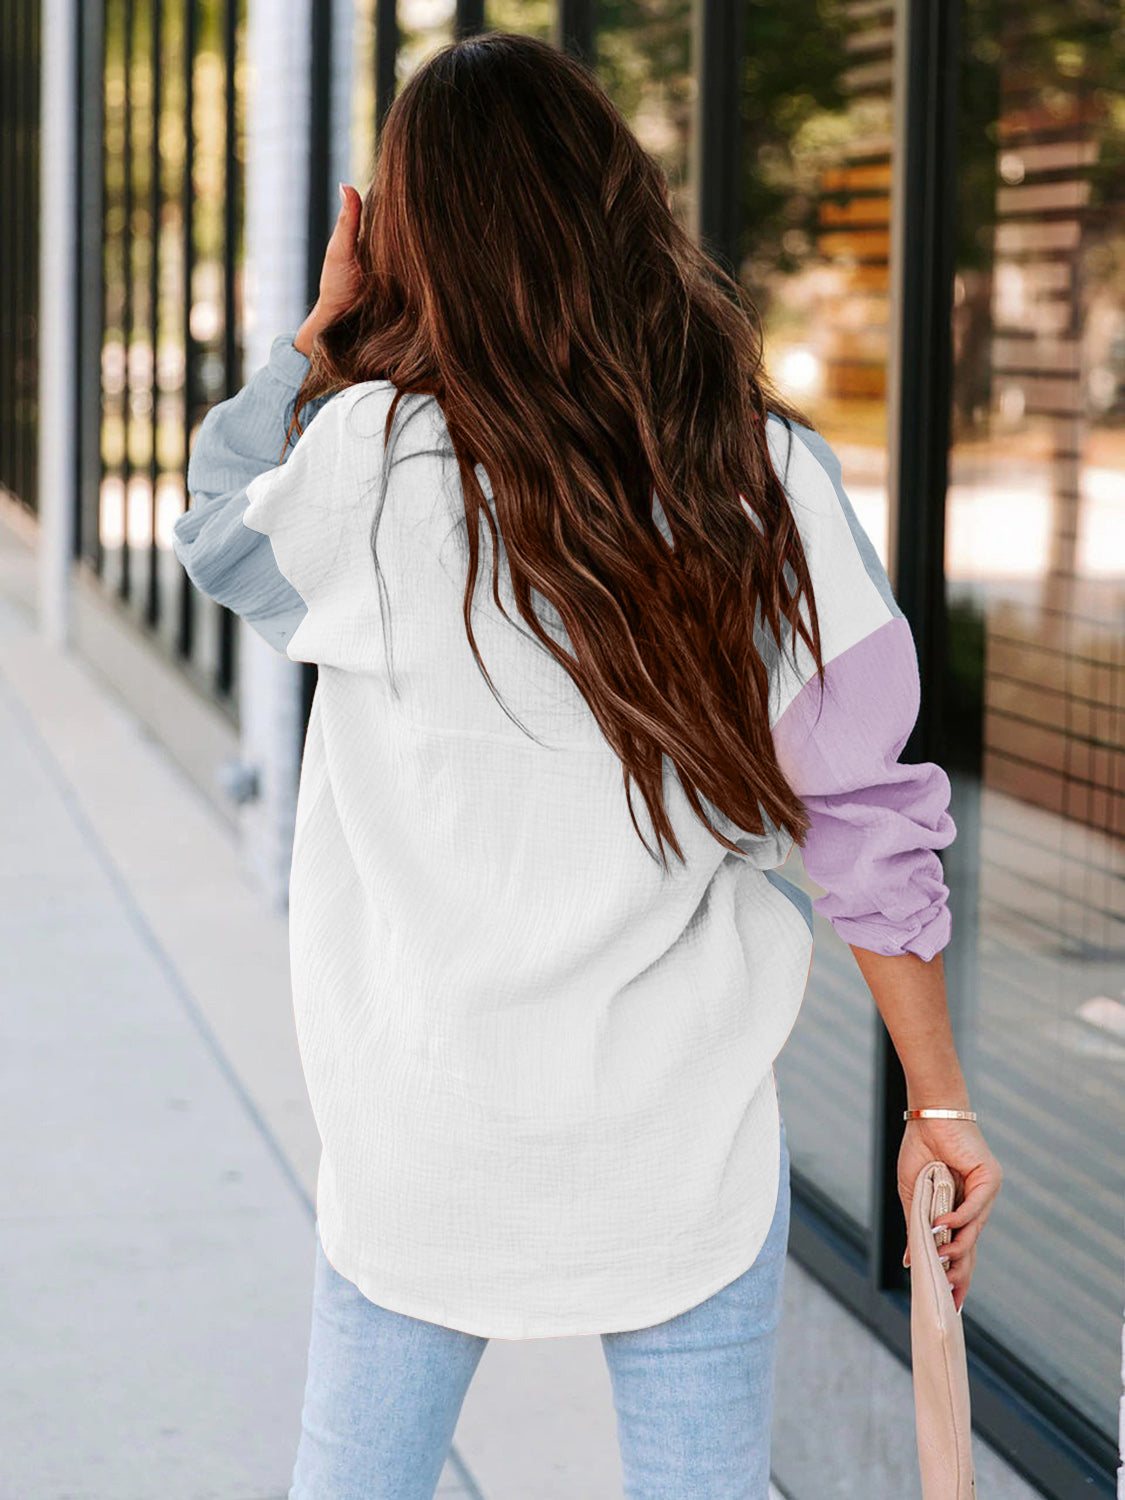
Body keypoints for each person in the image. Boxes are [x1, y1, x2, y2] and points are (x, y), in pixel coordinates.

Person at [172, 31, 1003, 1500]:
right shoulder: (760, 478)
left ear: (409, 239)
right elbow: (867, 827)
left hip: (424, 1135)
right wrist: (937, 1106)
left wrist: (318, 339)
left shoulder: (369, 466)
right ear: (621, 203)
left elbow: (217, 528)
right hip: (679, 1143)